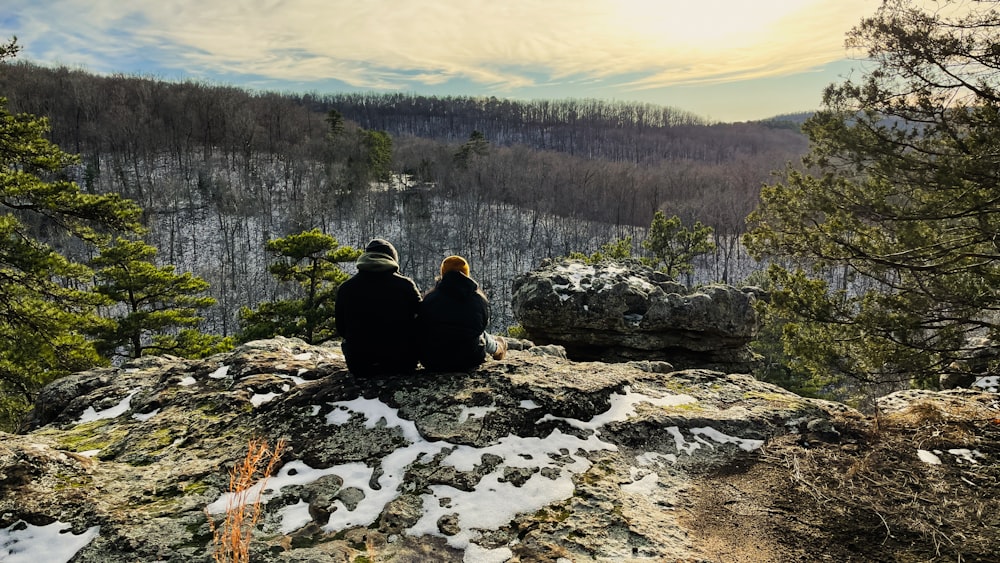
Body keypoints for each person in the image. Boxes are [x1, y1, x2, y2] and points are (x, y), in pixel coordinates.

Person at [335, 238, 421, 376]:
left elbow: (341, 328)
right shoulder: (405, 285)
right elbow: (423, 319)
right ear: (393, 259)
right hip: (402, 363)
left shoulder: (346, 288)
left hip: (360, 365)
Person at [417, 255, 507, 372]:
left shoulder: (430, 298)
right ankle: (498, 349)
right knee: (478, 335)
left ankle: (497, 347)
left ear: (443, 274)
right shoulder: (478, 299)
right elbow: (481, 327)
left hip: (433, 361)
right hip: (469, 359)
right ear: (467, 274)